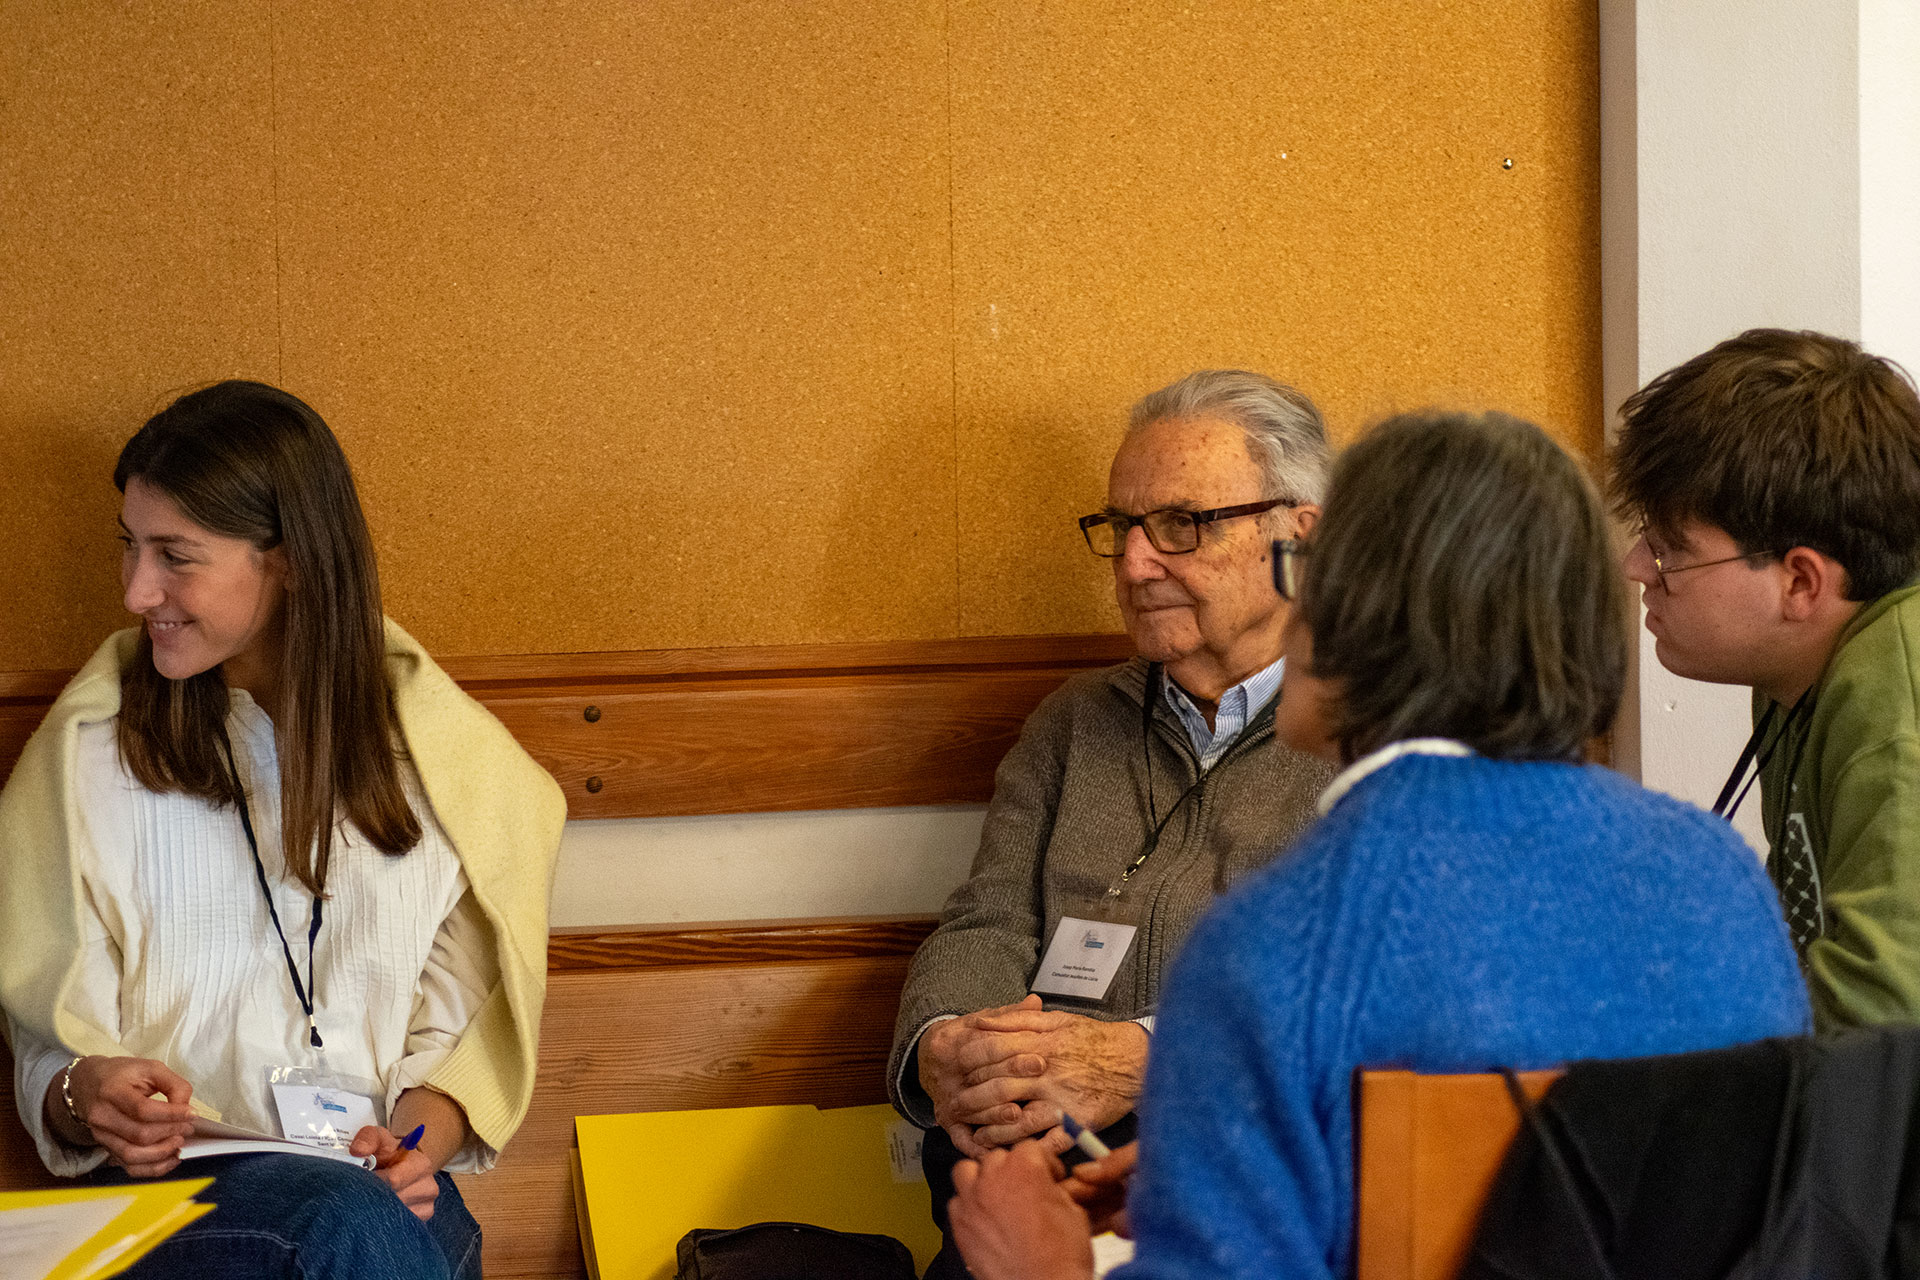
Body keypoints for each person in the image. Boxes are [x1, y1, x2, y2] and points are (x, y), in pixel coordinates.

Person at [947, 410, 1812, 1280]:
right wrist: (1209, 1172)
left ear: (1347, 614)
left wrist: (1044, 1269)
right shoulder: (1722, 878)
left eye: (1303, 574)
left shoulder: (1269, 953)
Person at [0, 381, 566, 1279]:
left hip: (370, 1203)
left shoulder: (450, 771)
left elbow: (459, 1042)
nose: (137, 590)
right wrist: (86, 1091)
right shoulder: (88, 761)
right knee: (342, 1224)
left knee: (381, 1221)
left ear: (292, 560)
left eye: (174, 555)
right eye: (129, 545)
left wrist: (413, 1147)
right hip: (160, 1209)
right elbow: (52, 1045)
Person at [888, 370, 1338, 1275]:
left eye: (1182, 525)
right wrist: (948, 1045)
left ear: (1299, 535)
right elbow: (987, 921)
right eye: (1121, 527)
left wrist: (1144, 1057)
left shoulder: (1373, 732)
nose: (1135, 565)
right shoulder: (1074, 721)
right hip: (1023, 1161)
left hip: (1238, 1189)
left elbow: (1358, 1000)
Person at [1612, 329, 1920, 1030]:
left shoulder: (1896, 697)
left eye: (1669, 550)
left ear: (1800, 582)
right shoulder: (1795, 676)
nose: (1635, 568)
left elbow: (1884, 1014)